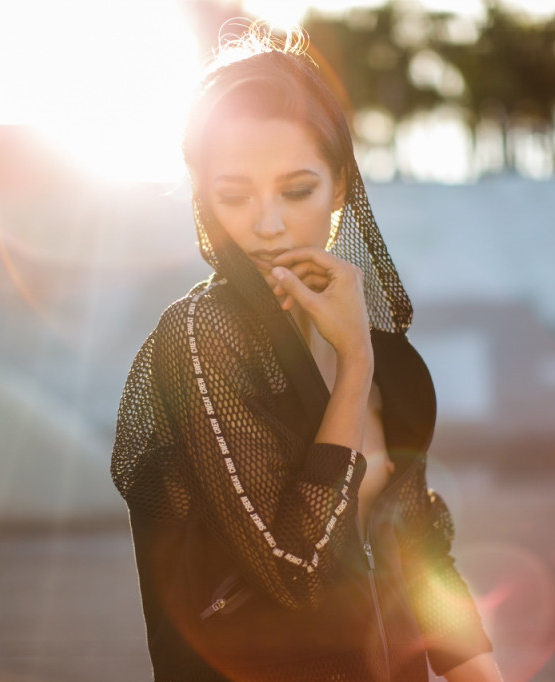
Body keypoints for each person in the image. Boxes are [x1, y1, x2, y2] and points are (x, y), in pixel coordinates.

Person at [111, 24, 502, 682]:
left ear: (340, 185)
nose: (266, 226)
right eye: (234, 196)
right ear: (204, 199)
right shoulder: (201, 337)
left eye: (296, 190)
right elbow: (293, 570)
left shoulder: (390, 357)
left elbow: (417, 547)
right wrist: (353, 376)